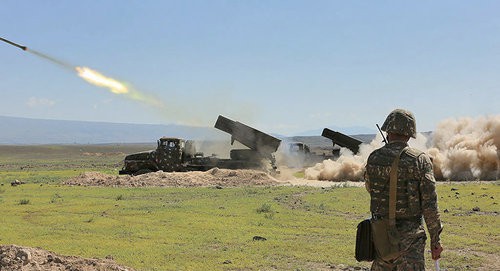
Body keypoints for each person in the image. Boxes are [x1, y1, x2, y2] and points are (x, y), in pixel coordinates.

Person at [364, 109, 443, 270]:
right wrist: (436, 240)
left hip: (381, 238)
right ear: (409, 133)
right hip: (410, 243)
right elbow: (430, 206)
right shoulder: (420, 161)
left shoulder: (374, 158)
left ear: (388, 131)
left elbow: (370, 188)